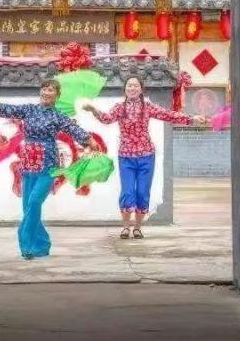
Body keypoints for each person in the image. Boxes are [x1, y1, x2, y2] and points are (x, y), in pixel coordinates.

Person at [0, 79, 98, 259]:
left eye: (51, 90)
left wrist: (89, 140)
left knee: (34, 202)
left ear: (57, 96)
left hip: (48, 165)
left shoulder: (58, 116)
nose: (46, 93)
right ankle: (41, 244)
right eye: (44, 89)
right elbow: (11, 109)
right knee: (28, 207)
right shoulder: (29, 110)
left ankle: (26, 245)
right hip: (28, 163)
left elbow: (73, 129)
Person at [83, 76, 207, 239]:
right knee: (128, 192)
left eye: (135, 86)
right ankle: (126, 227)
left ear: (141, 89)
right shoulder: (120, 108)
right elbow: (106, 119)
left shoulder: (147, 107)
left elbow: (168, 115)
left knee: (142, 193)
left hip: (146, 155)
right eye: (129, 85)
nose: (132, 88)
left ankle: (138, 227)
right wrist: (93, 110)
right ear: (125, 89)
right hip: (126, 156)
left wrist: (191, 119)